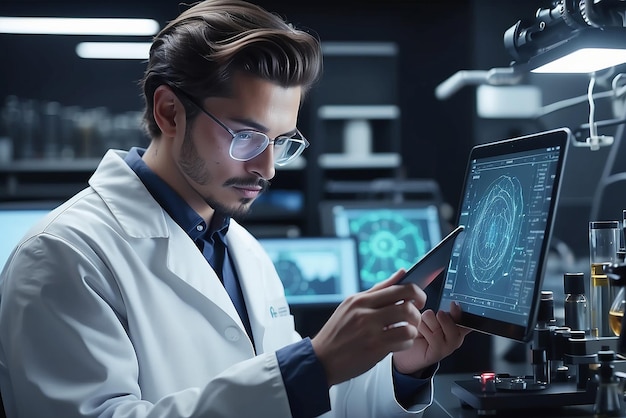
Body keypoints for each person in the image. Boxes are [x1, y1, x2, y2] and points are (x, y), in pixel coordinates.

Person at [0, 1, 470, 417]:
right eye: (246, 136)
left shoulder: (239, 246)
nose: (267, 167)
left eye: (281, 141)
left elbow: (295, 403)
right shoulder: (62, 255)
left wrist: (400, 370)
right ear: (168, 112)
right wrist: (314, 364)